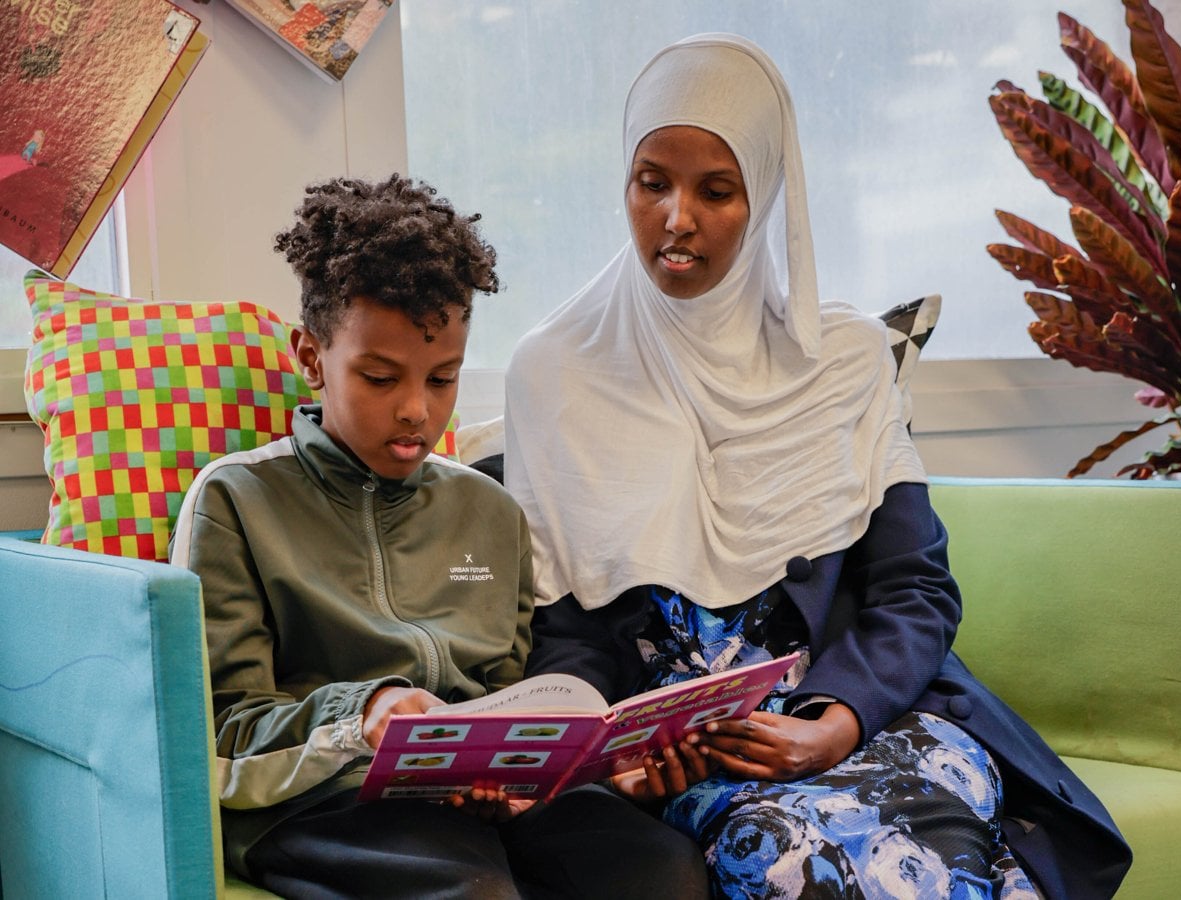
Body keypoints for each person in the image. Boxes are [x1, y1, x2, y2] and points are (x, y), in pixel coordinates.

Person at [504, 34, 1132, 899]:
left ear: (764, 200)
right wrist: (609, 751)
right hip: (701, 765)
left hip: (867, 719)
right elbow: (566, 632)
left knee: (941, 856)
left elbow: (916, 589)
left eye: (715, 191)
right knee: (785, 854)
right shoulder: (556, 371)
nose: (676, 218)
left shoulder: (843, 358)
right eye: (652, 182)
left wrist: (834, 723)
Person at [170, 174, 708, 899]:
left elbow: (508, 693)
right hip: (326, 799)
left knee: (662, 872)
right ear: (309, 356)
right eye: (381, 377)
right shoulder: (237, 501)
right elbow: (223, 733)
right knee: (475, 892)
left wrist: (526, 773)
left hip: (470, 804)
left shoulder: (490, 512)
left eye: (444, 378)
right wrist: (364, 716)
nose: (417, 411)